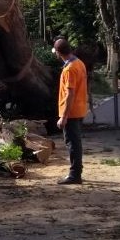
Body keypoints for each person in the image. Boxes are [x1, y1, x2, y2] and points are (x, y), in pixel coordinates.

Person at [52, 37, 88, 185]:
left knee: (72, 143)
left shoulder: (69, 69)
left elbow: (70, 93)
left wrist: (64, 116)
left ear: (58, 53)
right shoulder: (79, 64)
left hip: (71, 112)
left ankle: (74, 175)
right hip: (79, 109)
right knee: (76, 142)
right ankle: (77, 170)